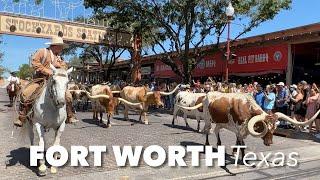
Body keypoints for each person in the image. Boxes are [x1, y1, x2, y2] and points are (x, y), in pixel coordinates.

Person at [14, 37, 78, 127]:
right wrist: (47, 71)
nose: (61, 49)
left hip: (55, 82)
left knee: (68, 95)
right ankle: (22, 116)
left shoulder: (60, 58)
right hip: (40, 79)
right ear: (55, 46)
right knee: (27, 92)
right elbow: (34, 62)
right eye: (60, 46)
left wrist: (61, 70)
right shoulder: (42, 52)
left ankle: (70, 115)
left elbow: (64, 68)